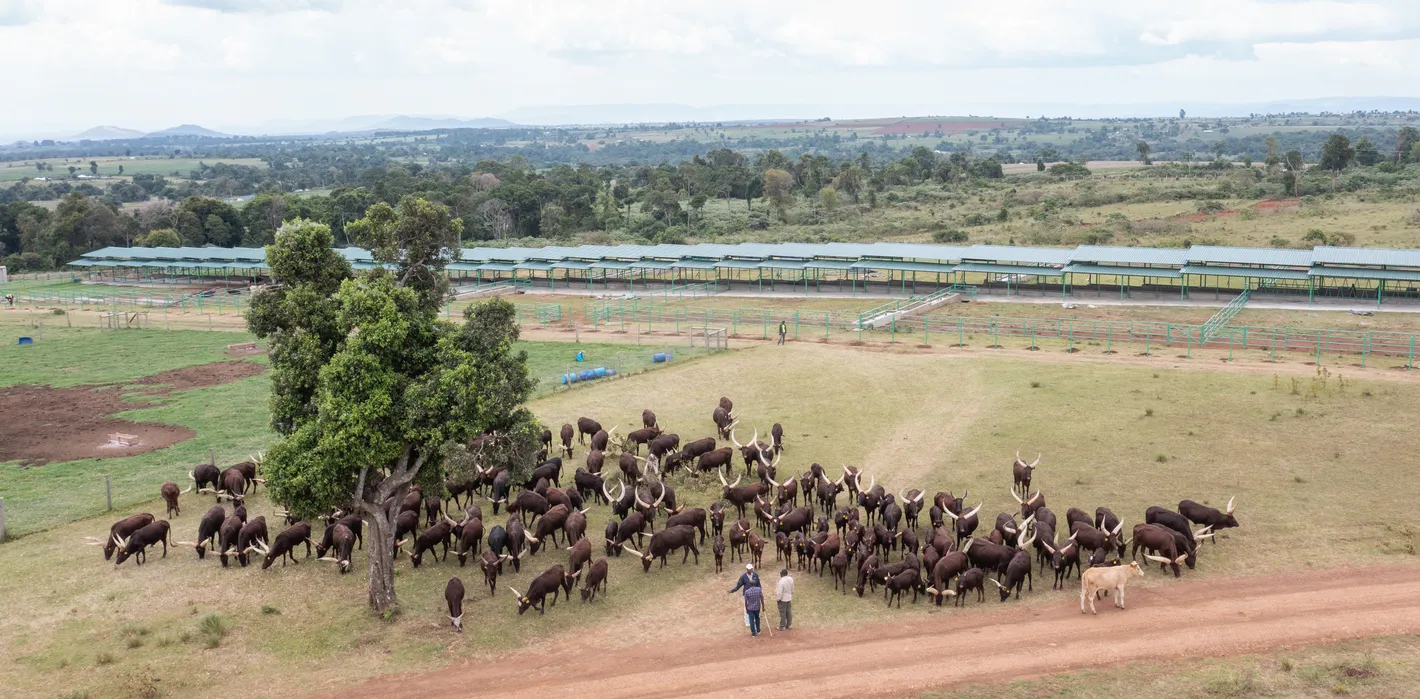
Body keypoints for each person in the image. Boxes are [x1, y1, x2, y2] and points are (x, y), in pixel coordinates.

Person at [728, 563, 760, 628]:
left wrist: (760, 592)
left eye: (751, 569)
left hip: (755, 594)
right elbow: (738, 585)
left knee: (755, 606)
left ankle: (753, 619)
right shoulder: (743, 577)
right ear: (747, 570)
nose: (751, 570)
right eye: (749, 569)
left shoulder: (755, 575)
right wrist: (732, 590)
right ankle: (747, 621)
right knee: (747, 608)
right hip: (747, 595)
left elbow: (759, 584)